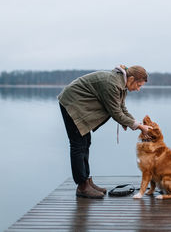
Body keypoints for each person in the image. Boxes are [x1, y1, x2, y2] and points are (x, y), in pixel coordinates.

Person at [58, 65, 152, 199]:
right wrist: (138, 127)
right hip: (72, 103)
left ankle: (86, 181)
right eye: (138, 85)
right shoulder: (112, 84)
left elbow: (122, 109)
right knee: (78, 145)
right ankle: (82, 186)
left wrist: (136, 123)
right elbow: (116, 113)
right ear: (131, 79)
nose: (138, 89)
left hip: (81, 105)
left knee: (86, 142)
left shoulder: (121, 85)